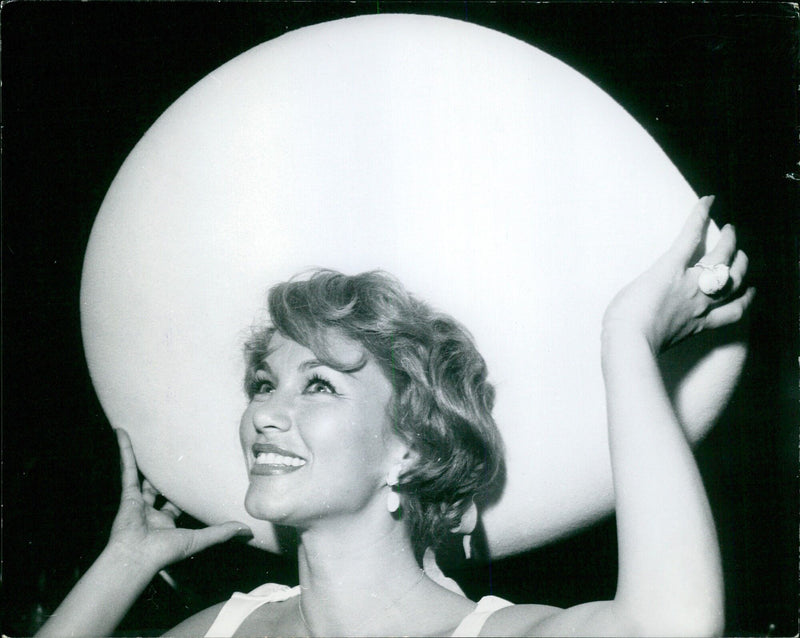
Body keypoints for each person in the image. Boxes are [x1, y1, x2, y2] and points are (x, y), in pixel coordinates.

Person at [36, 196, 754, 637]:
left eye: (318, 387)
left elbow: (676, 625)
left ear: (406, 450)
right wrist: (125, 562)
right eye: (264, 382)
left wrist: (625, 339)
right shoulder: (222, 628)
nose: (264, 414)